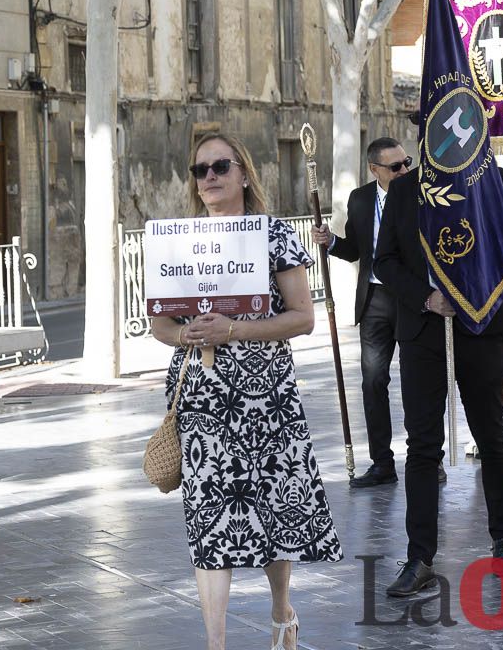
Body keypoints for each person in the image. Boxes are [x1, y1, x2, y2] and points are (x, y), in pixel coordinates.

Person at [151, 133, 340, 650]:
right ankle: (217, 643)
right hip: (203, 398)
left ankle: (282, 609)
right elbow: (161, 324)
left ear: (243, 175)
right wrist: (186, 334)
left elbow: (302, 318)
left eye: (220, 167)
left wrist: (231, 330)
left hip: (267, 397)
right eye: (199, 170)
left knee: (274, 507)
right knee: (209, 518)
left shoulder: (274, 236)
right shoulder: (180, 243)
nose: (209, 177)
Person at [372, 155, 503, 597]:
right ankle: (419, 556)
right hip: (423, 332)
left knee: (491, 434)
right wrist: (427, 297)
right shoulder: (403, 190)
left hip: (483, 327)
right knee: (422, 445)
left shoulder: (494, 180)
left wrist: (473, 290)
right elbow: (385, 260)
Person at [310, 138, 448, 488]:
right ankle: (382, 462)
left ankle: (430, 458)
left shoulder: (423, 194)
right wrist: (331, 243)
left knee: (421, 382)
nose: (405, 170)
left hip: (415, 299)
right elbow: (357, 250)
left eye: (407, 163)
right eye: (396, 166)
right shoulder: (360, 199)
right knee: (373, 382)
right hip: (375, 299)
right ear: (375, 170)